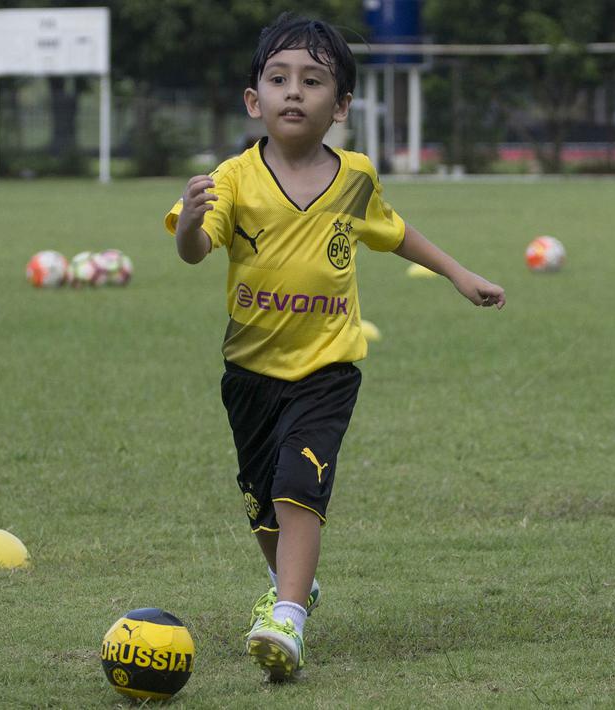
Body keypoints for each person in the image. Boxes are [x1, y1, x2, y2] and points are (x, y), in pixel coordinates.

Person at [163, 13, 505, 682]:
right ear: (253, 100)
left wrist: (459, 274)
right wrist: (191, 222)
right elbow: (194, 251)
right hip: (248, 372)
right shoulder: (232, 178)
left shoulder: (355, 177)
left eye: (312, 80)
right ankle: (295, 581)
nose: (294, 91)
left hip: (327, 365)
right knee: (261, 503)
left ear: (341, 106)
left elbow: (396, 232)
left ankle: (287, 615)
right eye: (279, 78)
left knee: (299, 485)